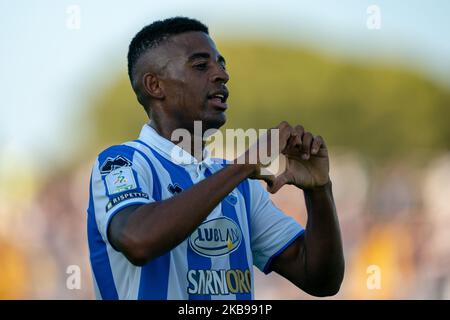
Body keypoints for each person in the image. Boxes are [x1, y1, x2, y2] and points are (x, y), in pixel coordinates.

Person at [87, 16, 344, 300]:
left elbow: (320, 279)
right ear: (154, 85)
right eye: (200, 65)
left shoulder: (238, 182)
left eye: (221, 64)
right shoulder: (121, 162)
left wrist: (320, 190)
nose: (222, 74)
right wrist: (244, 164)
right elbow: (138, 240)